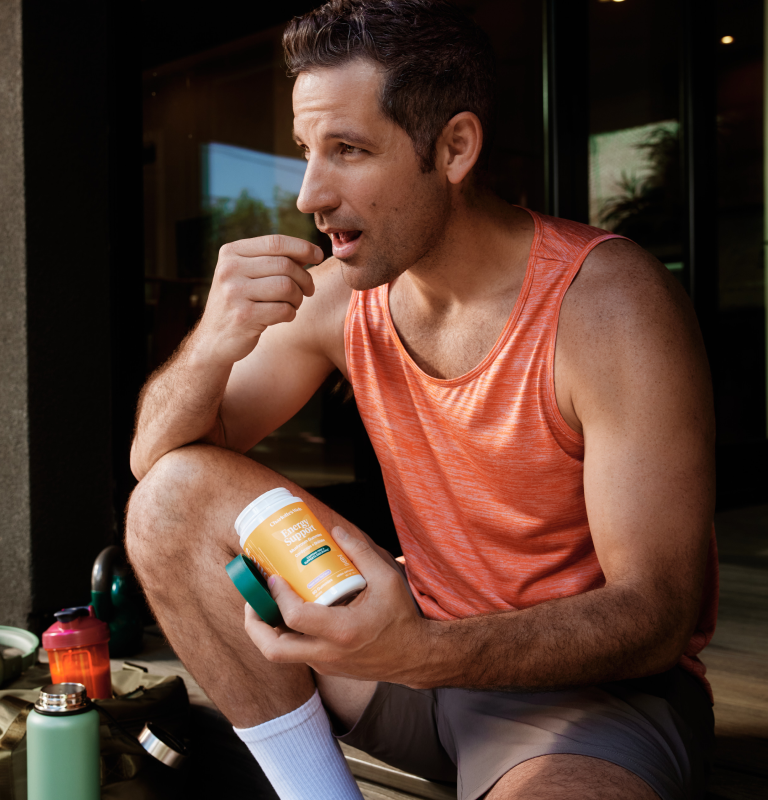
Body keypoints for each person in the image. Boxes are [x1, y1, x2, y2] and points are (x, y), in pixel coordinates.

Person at [126, 1, 718, 798]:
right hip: (406, 669)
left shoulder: (608, 306)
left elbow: (657, 614)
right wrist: (212, 339)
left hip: (586, 704)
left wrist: (413, 651)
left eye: (348, 150)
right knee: (170, 498)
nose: (308, 193)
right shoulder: (341, 298)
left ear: (455, 147)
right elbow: (154, 460)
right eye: (306, 150)